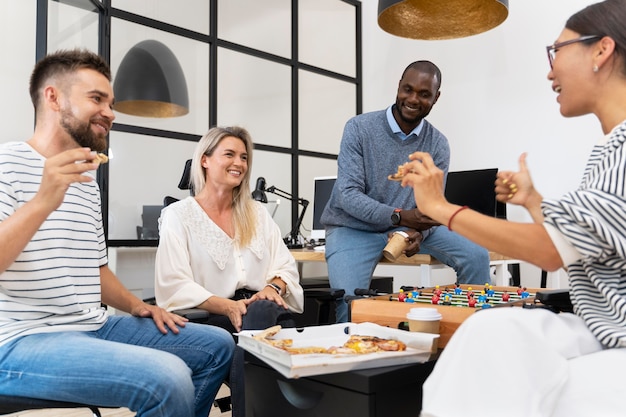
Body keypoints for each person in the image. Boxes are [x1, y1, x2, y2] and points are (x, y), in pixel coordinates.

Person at [398, 2, 626, 416]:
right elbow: (592, 236)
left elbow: (552, 251)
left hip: (613, 335)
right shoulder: (609, 151)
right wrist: (534, 202)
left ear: (601, 50)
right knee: (491, 332)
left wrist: (440, 206)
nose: (549, 70)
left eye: (557, 51)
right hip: (602, 327)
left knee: (493, 346)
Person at [0, 49, 235, 417]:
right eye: (97, 99)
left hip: (91, 325)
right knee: (167, 377)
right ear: (53, 97)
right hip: (18, 339)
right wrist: (42, 201)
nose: (110, 112)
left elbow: (95, 270)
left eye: (110, 102)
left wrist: (139, 306)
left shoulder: (86, 181)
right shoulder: (5, 163)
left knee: (218, 345)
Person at [320, 60, 490, 323]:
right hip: (353, 228)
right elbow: (348, 196)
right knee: (352, 305)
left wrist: (420, 231)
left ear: (436, 97)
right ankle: (355, 359)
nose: (413, 99)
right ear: (398, 86)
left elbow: (433, 206)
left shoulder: (438, 144)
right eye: (407, 90)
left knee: (477, 255)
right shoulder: (359, 128)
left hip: (405, 226)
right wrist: (400, 217)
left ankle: (470, 333)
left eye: (424, 94)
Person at [154, 126, 305, 417]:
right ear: (205, 160)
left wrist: (272, 288)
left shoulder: (257, 213)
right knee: (265, 324)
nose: (239, 163)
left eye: (244, 157)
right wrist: (228, 305)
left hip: (262, 308)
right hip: (210, 315)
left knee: (262, 311)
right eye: (229, 154)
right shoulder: (179, 216)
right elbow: (173, 283)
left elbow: (285, 264)